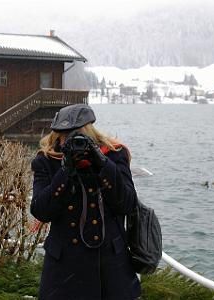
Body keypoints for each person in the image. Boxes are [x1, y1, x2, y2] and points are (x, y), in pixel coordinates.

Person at [30, 104, 142, 300]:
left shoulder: (114, 154)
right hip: (64, 267)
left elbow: (127, 204)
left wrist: (102, 164)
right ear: (57, 135)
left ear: (90, 132)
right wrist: (66, 171)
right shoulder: (47, 160)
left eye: (77, 134)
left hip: (110, 266)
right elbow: (41, 211)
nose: (71, 140)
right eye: (65, 135)